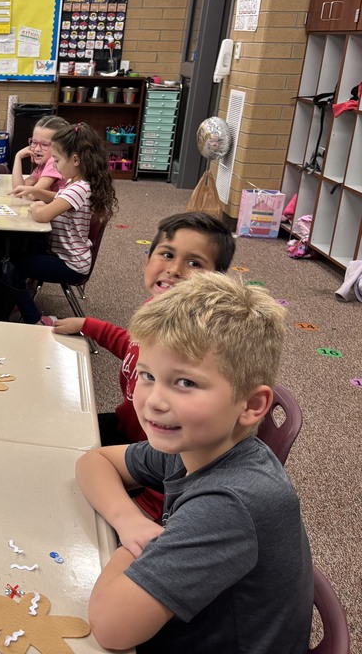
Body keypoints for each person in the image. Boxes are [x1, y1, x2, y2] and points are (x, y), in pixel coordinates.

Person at [76, 273, 312, 653]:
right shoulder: (196, 445)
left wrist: (138, 546)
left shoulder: (229, 503)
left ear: (251, 406)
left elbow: (111, 628)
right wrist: (130, 521)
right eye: (148, 375)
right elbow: (95, 461)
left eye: (185, 383)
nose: (153, 400)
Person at [53, 211, 235, 520]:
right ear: (148, 259)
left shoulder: (194, 341)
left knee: (67, 491)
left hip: (155, 449)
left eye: (194, 263)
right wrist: (89, 324)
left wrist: (142, 513)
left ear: (216, 280)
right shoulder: (157, 311)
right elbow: (130, 345)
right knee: (58, 436)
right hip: (132, 429)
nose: (174, 269)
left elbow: (179, 457)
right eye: (166, 254)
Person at [0, 122, 117, 324]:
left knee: (12, 267)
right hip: (66, 255)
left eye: (58, 160)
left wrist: (36, 205)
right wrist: (36, 192)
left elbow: (42, 215)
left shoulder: (78, 188)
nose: (56, 166)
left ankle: (32, 318)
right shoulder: (77, 183)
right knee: (12, 253)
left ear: (75, 160)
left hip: (69, 264)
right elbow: (58, 197)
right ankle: (6, 307)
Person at [10, 114, 68, 194]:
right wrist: (18, 157)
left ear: (61, 146)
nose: (37, 149)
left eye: (44, 144)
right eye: (34, 142)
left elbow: (34, 194)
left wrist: (30, 192)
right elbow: (18, 190)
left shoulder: (53, 162)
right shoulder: (42, 166)